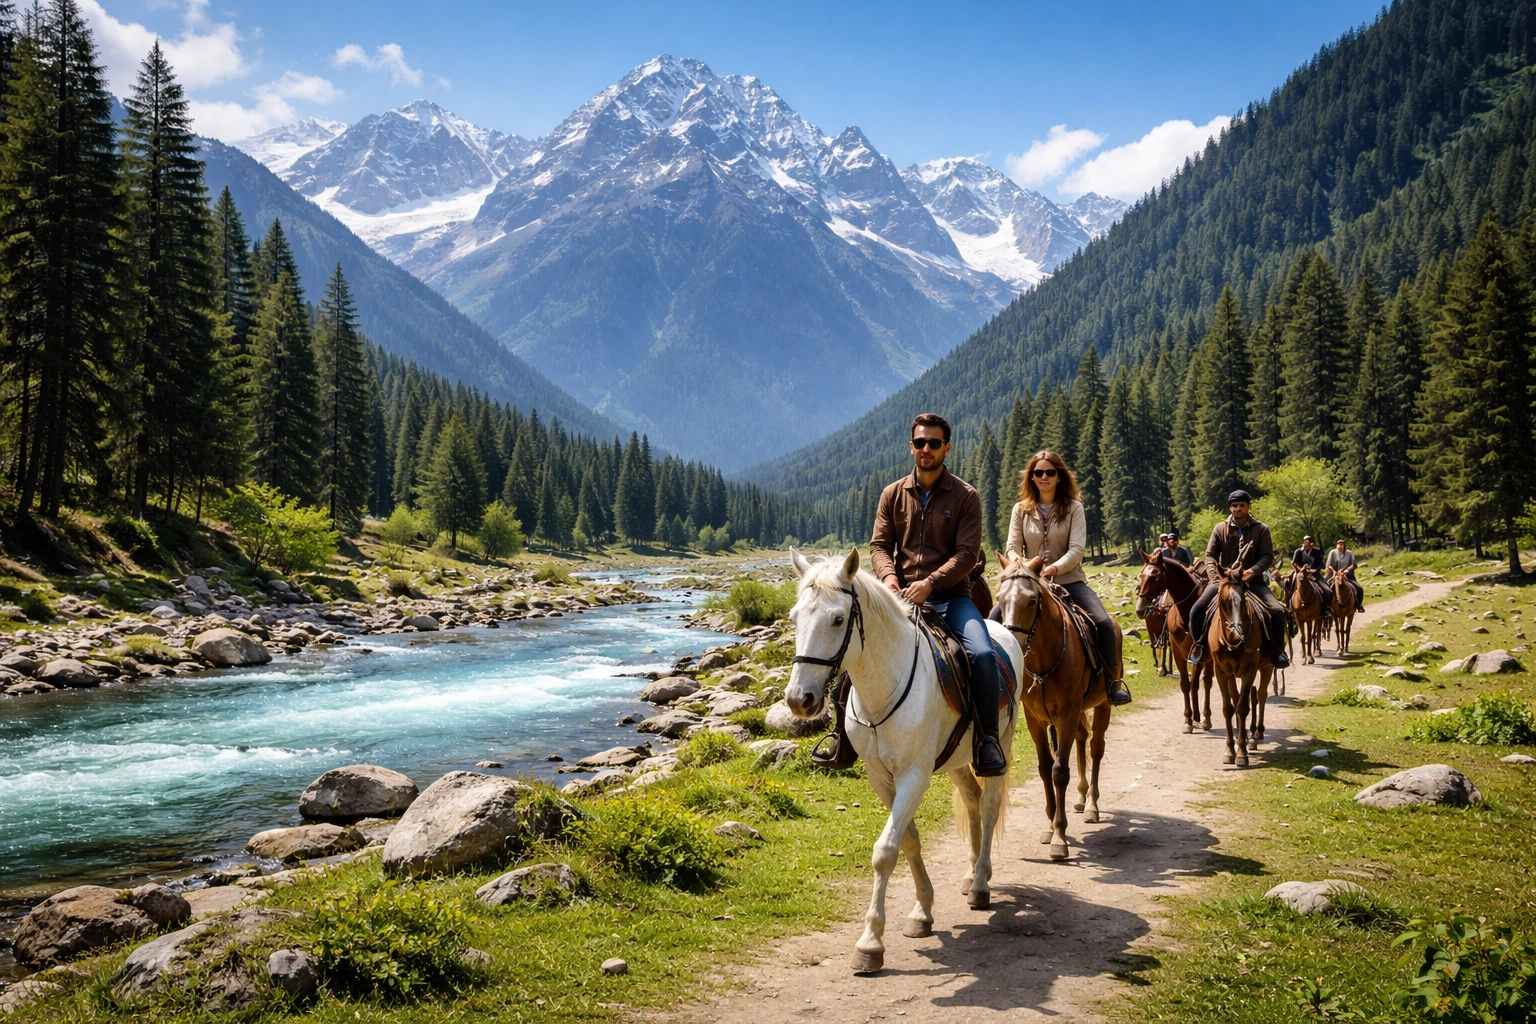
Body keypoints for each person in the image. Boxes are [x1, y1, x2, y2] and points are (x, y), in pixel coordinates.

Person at [812, 412, 1007, 776]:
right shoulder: (892, 494)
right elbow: (879, 545)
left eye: (934, 443)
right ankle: (842, 737)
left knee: (981, 653)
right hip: (896, 599)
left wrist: (931, 583)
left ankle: (987, 741)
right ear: (911, 447)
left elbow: (967, 555)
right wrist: (888, 581)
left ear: (947, 448)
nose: (926, 449)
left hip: (951, 598)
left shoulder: (966, 496)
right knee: (853, 655)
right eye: (920, 442)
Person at [1004, 450, 1132, 706]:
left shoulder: (1074, 508)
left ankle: (1113, 683)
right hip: (1029, 584)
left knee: (1104, 623)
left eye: (1049, 472)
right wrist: (1024, 566)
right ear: (1031, 477)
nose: (1043, 477)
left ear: (1059, 476)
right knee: (995, 623)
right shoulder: (1021, 509)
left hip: (1070, 581)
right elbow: (1011, 547)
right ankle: (998, 683)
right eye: (1037, 472)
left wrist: (1053, 569)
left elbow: (1077, 550)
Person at [1187, 490, 1291, 668]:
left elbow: (1267, 557)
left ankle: (1277, 651)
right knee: (1196, 610)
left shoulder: (1261, 529)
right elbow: (1210, 556)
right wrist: (1218, 577)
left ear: (1247, 507)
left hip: (1253, 582)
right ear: (1230, 507)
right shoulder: (1220, 529)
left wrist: (1251, 572)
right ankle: (1199, 648)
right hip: (1224, 582)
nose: (1238, 509)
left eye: (1242, 505)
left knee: (1277, 611)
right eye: (1234, 506)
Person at [1289, 535, 1331, 617]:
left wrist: (1315, 570)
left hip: (1314, 573)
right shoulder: (1298, 551)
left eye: (1307, 542)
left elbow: (1320, 564)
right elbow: (1294, 563)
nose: (1305, 543)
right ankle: (1289, 607)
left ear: (1312, 543)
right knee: (1289, 586)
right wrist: (1300, 569)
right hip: (1300, 574)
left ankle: (1325, 608)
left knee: (1327, 589)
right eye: (1304, 541)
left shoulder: (1316, 551)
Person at [1326, 539, 1364, 610]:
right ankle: (1326, 607)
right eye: (1338, 544)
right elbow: (1328, 565)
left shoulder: (1349, 553)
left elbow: (1354, 564)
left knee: (1359, 588)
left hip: (1348, 575)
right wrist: (1333, 571)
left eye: (1341, 544)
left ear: (1344, 545)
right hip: (1334, 575)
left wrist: (1348, 570)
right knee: (1325, 588)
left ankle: (1358, 605)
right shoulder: (1332, 553)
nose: (1339, 546)